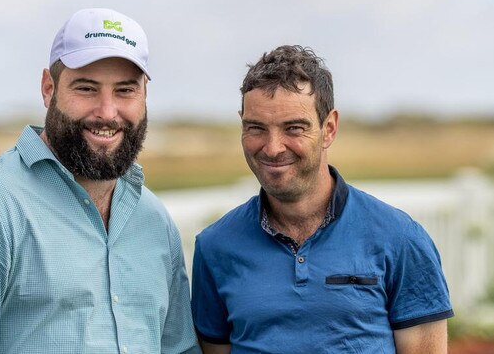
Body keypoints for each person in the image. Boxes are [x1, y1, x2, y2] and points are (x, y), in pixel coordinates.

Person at [0, 8, 200, 354]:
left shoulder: (154, 220)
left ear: (144, 96)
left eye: (125, 90)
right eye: (87, 88)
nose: (108, 112)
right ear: (48, 89)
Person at [190, 45, 454, 353]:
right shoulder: (215, 247)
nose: (273, 148)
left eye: (294, 128)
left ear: (328, 128)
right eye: (256, 128)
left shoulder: (400, 238)